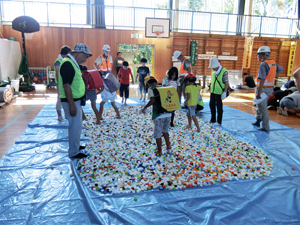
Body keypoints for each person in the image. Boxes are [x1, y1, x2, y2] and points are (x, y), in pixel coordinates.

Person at [59, 43, 92, 159]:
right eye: (86, 56)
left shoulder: (73, 63)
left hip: (75, 100)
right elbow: (66, 86)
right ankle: (73, 152)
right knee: (75, 126)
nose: (86, 59)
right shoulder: (68, 64)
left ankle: (76, 146)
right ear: (79, 53)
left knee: (77, 125)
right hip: (71, 101)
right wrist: (72, 104)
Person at [252, 46, 283, 131]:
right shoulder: (272, 62)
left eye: (258, 54)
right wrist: (273, 76)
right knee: (259, 104)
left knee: (263, 108)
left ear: (262, 55)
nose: (257, 56)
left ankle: (266, 127)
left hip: (263, 89)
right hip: (269, 88)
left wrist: (259, 92)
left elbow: (262, 79)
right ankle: (258, 120)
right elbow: (280, 69)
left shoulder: (263, 64)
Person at [141, 76, 172, 155]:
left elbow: (152, 100)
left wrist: (144, 107)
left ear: (148, 84)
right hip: (168, 113)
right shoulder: (163, 87)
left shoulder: (151, 89)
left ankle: (159, 150)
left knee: (157, 134)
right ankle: (168, 145)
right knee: (165, 130)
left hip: (158, 115)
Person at [208, 57, 229, 126]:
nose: (213, 69)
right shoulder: (213, 71)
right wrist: (210, 86)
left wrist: (225, 92)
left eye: (213, 67)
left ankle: (219, 121)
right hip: (213, 91)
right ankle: (212, 119)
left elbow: (226, 82)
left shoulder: (224, 71)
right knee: (211, 105)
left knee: (219, 107)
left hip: (219, 92)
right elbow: (213, 80)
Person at [54, 45, 72, 122]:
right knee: (60, 99)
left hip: (65, 83)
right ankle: (59, 116)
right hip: (60, 84)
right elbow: (57, 73)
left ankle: (66, 114)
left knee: (66, 98)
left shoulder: (65, 60)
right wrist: (59, 84)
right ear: (65, 54)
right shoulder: (58, 61)